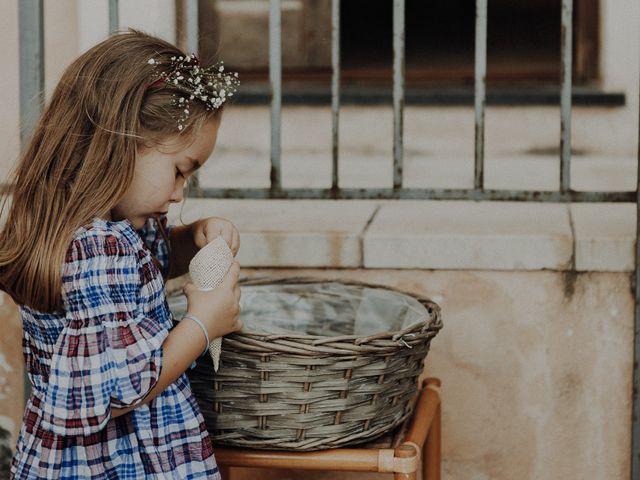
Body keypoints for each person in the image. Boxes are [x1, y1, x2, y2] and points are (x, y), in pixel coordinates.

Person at [0, 30, 243, 479]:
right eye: (178, 171)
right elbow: (115, 391)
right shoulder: (99, 246)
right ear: (119, 140)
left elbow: (136, 276)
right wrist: (203, 325)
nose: (177, 193)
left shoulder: (96, 230)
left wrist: (191, 238)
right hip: (117, 462)